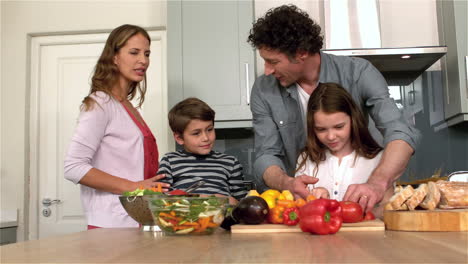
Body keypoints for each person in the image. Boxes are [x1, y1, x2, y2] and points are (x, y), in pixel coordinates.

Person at [247, 5, 420, 212]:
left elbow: (399, 131)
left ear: (301, 53)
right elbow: (266, 154)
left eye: (273, 62)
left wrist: (377, 182)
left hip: (365, 207)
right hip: (310, 209)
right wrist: (287, 183)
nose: (267, 71)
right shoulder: (263, 89)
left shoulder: (358, 72)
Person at [64, 24, 169, 229]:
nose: (144, 61)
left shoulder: (128, 106)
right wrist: (134, 187)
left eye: (147, 53)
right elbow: (73, 167)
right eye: (134, 52)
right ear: (114, 57)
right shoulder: (100, 103)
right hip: (112, 226)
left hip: (137, 220)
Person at [294, 83, 394, 216]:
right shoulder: (306, 159)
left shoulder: (379, 160)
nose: (330, 136)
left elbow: (389, 209)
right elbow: (298, 208)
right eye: (321, 129)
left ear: (353, 119)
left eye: (339, 127)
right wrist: (316, 200)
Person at [158, 97, 248, 204]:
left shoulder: (230, 163)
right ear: (179, 138)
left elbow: (243, 204)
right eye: (196, 133)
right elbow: (161, 201)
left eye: (209, 130)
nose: (206, 138)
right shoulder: (170, 161)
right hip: (185, 219)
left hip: (222, 219)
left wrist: (231, 201)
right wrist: (202, 198)